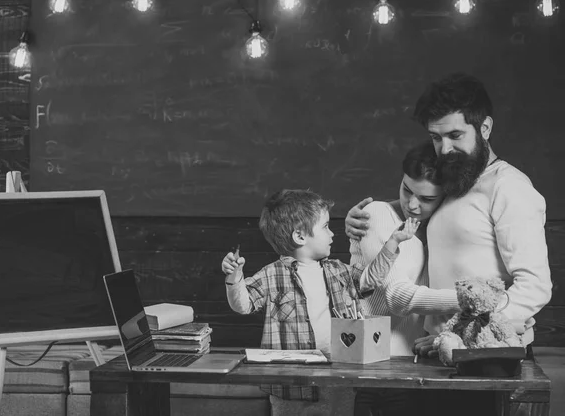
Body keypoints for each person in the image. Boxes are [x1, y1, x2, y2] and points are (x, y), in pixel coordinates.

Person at [345, 72, 552, 416]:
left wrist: (469, 338)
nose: (445, 149)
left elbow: (535, 286)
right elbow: (422, 209)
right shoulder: (457, 179)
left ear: (484, 128)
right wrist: (370, 219)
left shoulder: (510, 188)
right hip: (436, 355)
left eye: (455, 135)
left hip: (487, 360)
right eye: (436, 137)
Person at [222, 189, 392, 416]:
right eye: (325, 227)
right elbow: (243, 304)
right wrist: (234, 278)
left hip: (337, 376)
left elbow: (370, 279)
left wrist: (392, 245)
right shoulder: (272, 275)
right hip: (291, 384)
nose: (332, 234)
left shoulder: (338, 271)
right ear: (300, 236)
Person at [350, 141, 462, 416]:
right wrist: (468, 299)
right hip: (367, 366)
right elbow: (397, 298)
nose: (412, 205)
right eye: (406, 190)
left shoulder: (435, 229)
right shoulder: (377, 214)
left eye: (426, 199)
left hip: (413, 366)